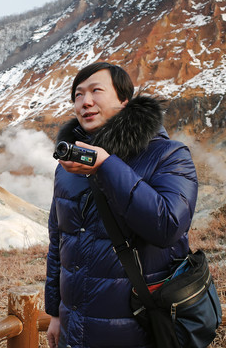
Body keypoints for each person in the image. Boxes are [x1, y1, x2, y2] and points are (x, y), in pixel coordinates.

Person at [45, 62, 198, 348]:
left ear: (124, 100)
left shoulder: (168, 155)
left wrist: (106, 165)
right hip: (74, 329)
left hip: (138, 329)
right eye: (78, 94)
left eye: (96, 91)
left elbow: (167, 227)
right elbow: (59, 242)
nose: (85, 101)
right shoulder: (69, 167)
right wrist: (55, 312)